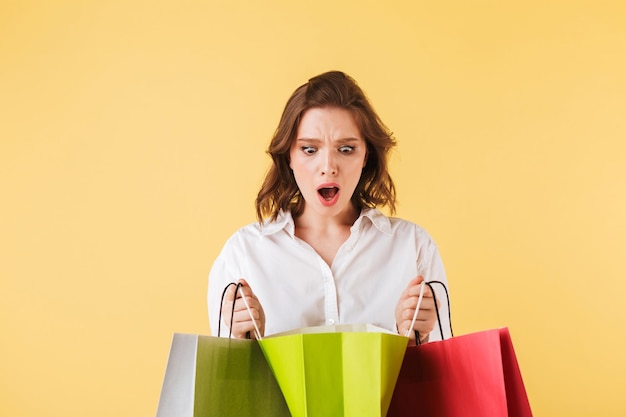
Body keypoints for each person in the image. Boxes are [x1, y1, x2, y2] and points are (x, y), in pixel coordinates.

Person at [207, 70, 450, 343]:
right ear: (289, 156)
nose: (328, 168)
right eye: (310, 149)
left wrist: (414, 338)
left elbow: (440, 378)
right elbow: (226, 381)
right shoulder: (244, 253)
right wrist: (245, 340)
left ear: (365, 155)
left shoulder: (413, 247)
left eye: (345, 149)